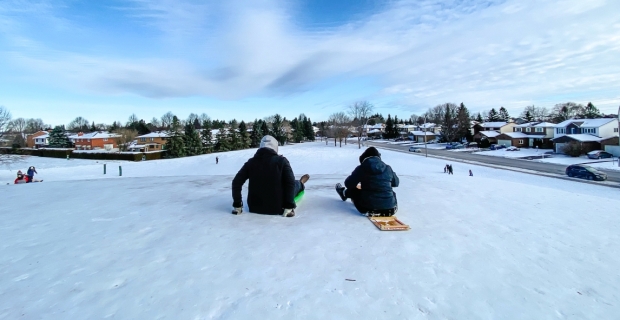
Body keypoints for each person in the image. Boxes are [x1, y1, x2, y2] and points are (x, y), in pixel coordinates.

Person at [232, 135, 310, 217]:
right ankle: (301, 183)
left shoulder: (251, 162)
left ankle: (299, 183)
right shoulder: (282, 161)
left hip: (254, 207)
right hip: (279, 207)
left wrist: (237, 206)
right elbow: (290, 183)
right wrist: (289, 206)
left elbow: (236, 182)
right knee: (294, 184)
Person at [335, 147, 399, 216]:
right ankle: (386, 205)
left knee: (353, 191)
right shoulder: (388, 168)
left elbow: (348, 184)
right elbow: (396, 183)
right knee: (391, 192)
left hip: (367, 208)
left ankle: (344, 193)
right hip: (391, 210)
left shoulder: (362, 168)